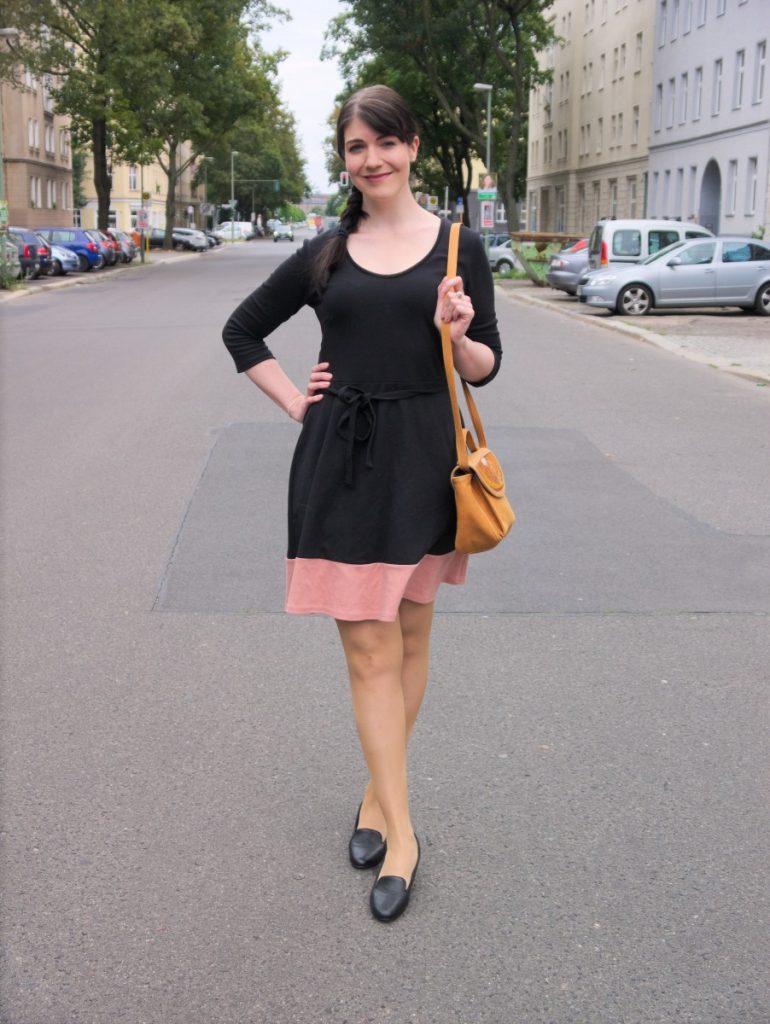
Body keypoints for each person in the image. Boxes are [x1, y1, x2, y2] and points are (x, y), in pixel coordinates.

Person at [222, 84, 502, 922]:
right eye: (355, 147)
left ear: (412, 147)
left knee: (411, 636)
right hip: (341, 463)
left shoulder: (459, 246)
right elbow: (243, 329)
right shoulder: (327, 251)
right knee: (370, 651)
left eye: (385, 142)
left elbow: (487, 365)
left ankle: (378, 799)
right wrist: (294, 399)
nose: (371, 159)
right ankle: (404, 831)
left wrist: (456, 333)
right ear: (344, 159)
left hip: (424, 460)